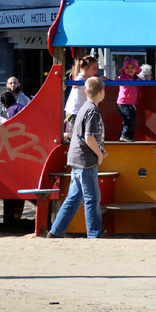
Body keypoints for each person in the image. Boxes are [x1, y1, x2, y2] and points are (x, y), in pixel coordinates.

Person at [47, 77, 107, 238]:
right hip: (86, 160)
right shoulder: (93, 110)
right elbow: (89, 137)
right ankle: (94, 235)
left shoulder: (83, 107)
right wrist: (99, 154)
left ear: (86, 92)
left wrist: (99, 150)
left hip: (76, 158)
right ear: (101, 92)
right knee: (92, 198)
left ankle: (56, 231)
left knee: (74, 197)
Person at [64, 56, 98, 135]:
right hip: (74, 111)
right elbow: (75, 84)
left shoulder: (87, 78)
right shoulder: (80, 78)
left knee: (83, 131)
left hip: (80, 111)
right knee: (77, 133)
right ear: (86, 69)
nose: (96, 71)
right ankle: (71, 140)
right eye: (94, 68)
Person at [116, 57, 142, 142]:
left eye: (132, 67)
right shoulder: (123, 77)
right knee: (128, 119)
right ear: (124, 69)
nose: (130, 70)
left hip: (131, 103)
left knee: (132, 120)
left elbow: (142, 81)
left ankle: (128, 136)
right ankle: (124, 135)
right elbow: (118, 79)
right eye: (127, 68)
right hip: (123, 103)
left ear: (136, 70)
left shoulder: (136, 78)